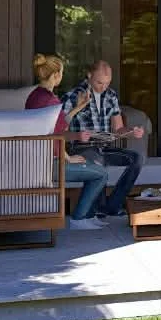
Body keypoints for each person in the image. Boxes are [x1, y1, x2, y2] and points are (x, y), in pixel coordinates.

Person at [26, 54, 109, 231]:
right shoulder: (51, 100)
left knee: (93, 168)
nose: (62, 76)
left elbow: (58, 124)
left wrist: (78, 107)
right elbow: (55, 135)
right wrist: (68, 158)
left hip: (37, 161)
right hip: (51, 165)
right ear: (56, 75)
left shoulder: (34, 96)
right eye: (62, 72)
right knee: (100, 173)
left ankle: (87, 216)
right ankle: (79, 218)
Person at [62, 59, 146, 217]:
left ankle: (112, 206)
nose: (104, 87)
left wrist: (132, 132)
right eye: (100, 83)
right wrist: (78, 135)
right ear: (89, 75)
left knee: (136, 159)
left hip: (104, 147)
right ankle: (96, 209)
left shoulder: (111, 95)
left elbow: (119, 128)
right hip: (81, 147)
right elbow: (60, 133)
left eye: (107, 83)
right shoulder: (73, 96)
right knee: (97, 161)